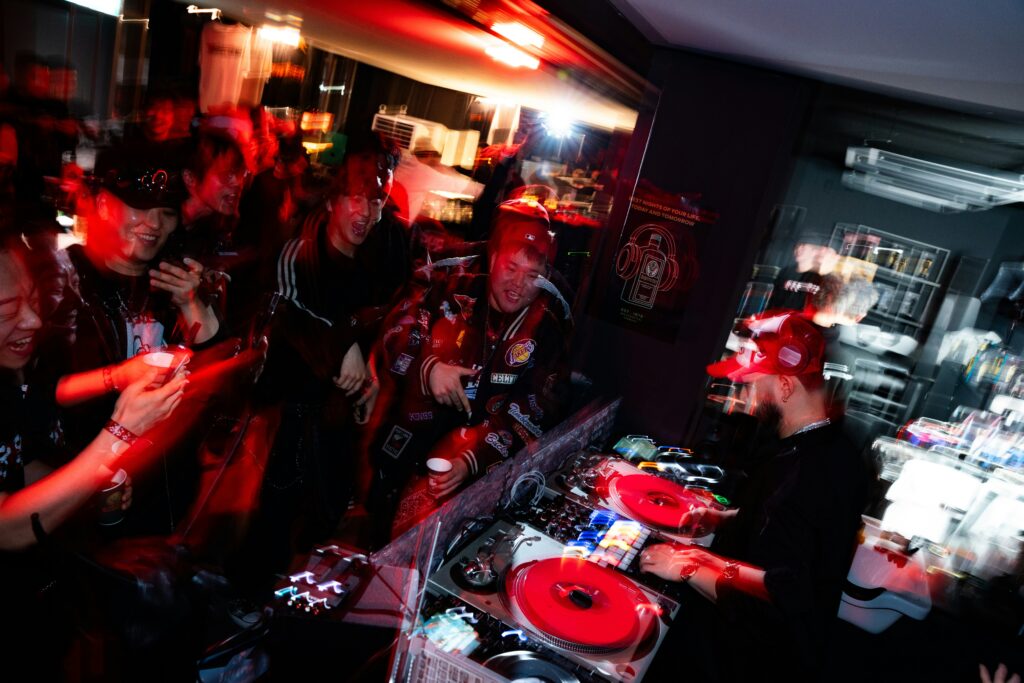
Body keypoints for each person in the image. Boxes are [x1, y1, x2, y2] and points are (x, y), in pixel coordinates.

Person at [639, 310, 871, 681]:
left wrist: (688, 568)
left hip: (752, 662)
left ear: (785, 387)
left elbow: (779, 596)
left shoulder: (806, 476)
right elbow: (787, 531)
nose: (747, 396)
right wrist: (724, 520)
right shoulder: (830, 447)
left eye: (755, 384)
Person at [0, 236, 184, 671]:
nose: (33, 319)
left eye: (33, 299)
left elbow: (19, 458)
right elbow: (6, 526)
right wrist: (118, 435)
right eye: (7, 311)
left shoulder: (9, 376)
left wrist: (88, 485)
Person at [365, 199, 572, 541]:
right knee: (378, 541)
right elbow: (396, 327)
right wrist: (428, 369)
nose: (518, 283)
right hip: (404, 449)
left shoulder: (553, 317)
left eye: (532, 274)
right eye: (511, 267)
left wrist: (473, 458)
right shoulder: (450, 275)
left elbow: (539, 407)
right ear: (493, 255)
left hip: (475, 481)